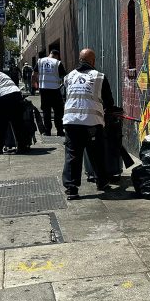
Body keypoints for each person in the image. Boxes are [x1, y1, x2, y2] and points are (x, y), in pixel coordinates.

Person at [61, 48, 114, 200]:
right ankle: (101, 182)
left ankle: (72, 188)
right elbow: (109, 101)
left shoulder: (69, 76)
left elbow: (65, 96)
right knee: (97, 152)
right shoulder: (99, 77)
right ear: (93, 61)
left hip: (71, 122)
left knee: (73, 154)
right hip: (92, 123)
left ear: (80, 60)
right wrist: (107, 113)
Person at [36, 49, 65, 136]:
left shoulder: (40, 61)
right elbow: (63, 76)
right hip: (55, 90)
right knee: (58, 111)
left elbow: (34, 74)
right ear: (56, 55)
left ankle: (47, 131)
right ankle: (59, 131)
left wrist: (35, 85)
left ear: (50, 54)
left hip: (44, 90)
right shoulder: (57, 62)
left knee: (46, 111)